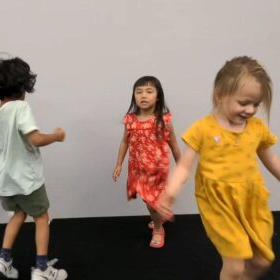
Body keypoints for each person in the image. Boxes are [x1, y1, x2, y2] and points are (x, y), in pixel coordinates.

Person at [157, 56, 280, 280]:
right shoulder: (203, 129)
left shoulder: (257, 129)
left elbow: (270, 158)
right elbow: (184, 166)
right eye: (244, 103)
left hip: (251, 199)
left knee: (263, 260)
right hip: (218, 202)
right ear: (220, 95)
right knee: (234, 266)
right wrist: (170, 193)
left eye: (256, 104)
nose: (251, 110)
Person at [0, 56, 68, 280]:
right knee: (41, 217)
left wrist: (3, 170)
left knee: (18, 214)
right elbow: (36, 139)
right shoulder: (21, 108)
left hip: (5, 178)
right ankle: (42, 269)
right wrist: (57, 136)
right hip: (27, 179)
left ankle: (3, 260)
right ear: (23, 87)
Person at [112, 76, 181, 248]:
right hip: (138, 168)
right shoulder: (130, 120)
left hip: (157, 169)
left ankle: (158, 229)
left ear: (158, 96)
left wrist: (181, 164)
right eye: (139, 92)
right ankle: (160, 215)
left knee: (152, 203)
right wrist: (119, 163)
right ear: (134, 96)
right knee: (147, 200)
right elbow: (125, 142)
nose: (144, 95)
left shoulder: (164, 120)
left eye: (149, 91)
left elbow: (173, 142)